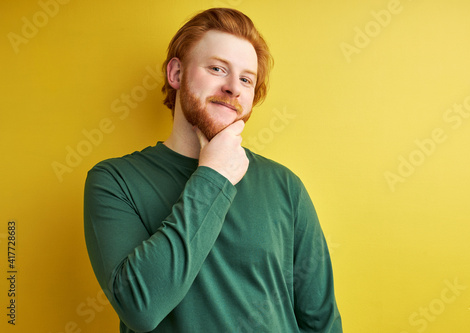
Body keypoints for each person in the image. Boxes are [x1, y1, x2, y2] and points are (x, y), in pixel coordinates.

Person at [84, 7, 342, 333]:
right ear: (176, 74)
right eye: (218, 68)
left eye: (246, 79)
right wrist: (214, 176)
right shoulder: (114, 181)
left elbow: (321, 321)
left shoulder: (285, 186)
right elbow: (140, 307)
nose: (233, 87)